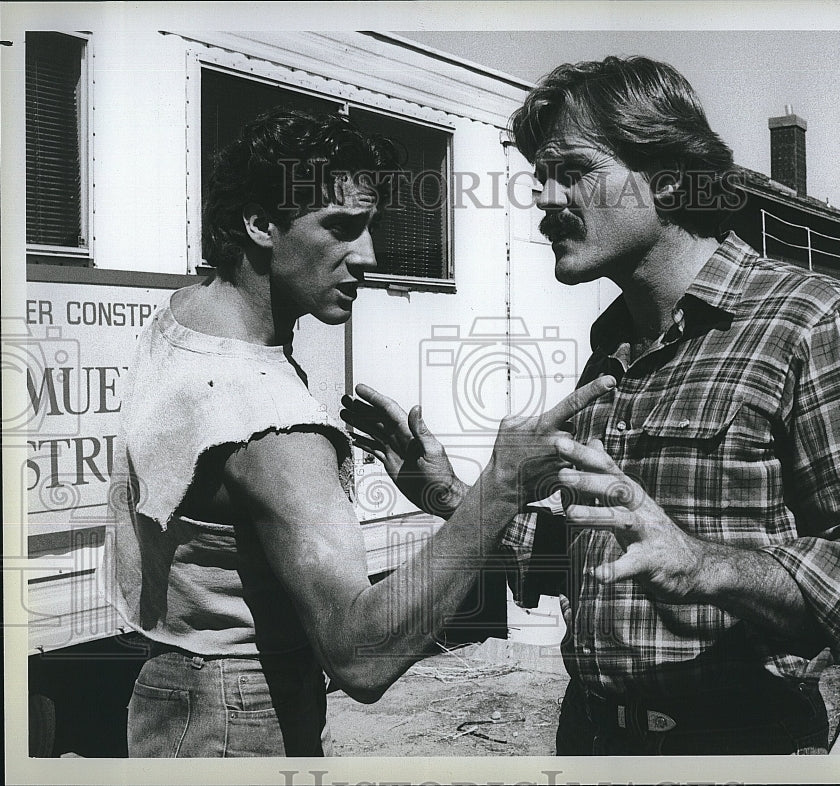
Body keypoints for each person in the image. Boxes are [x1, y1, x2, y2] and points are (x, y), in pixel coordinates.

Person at [343, 57, 840, 755]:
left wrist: (706, 564)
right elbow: (597, 559)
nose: (543, 196)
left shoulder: (808, 324)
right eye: (539, 174)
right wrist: (445, 492)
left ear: (667, 176)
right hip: (593, 739)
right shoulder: (614, 350)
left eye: (572, 169)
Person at [102, 107, 615, 758]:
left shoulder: (183, 322)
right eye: (341, 228)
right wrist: (500, 488)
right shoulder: (276, 429)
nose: (368, 256)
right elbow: (360, 656)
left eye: (370, 227)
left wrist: (440, 494)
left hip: (169, 691)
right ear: (261, 223)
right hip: (242, 715)